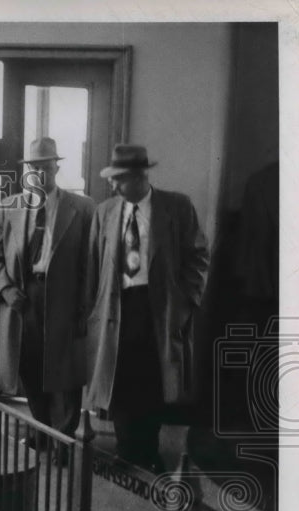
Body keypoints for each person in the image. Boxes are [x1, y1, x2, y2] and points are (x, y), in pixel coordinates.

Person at [86, 144, 209, 472]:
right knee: (121, 381)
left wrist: (186, 301)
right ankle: (127, 453)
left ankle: (148, 452)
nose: (113, 185)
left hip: (160, 309)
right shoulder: (105, 212)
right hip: (117, 308)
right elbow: (93, 264)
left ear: (140, 177)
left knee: (152, 381)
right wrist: (92, 311)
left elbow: (198, 255)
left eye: (120, 179)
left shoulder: (176, 207)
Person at [0, 138, 94, 437]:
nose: (39, 173)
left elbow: (91, 263)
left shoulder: (82, 208)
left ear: (56, 168)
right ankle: (42, 429)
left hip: (65, 299)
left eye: (45, 166)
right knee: (29, 365)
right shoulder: (10, 207)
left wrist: (84, 307)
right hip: (23, 297)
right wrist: (5, 291)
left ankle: (64, 436)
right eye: (33, 167)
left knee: (65, 371)